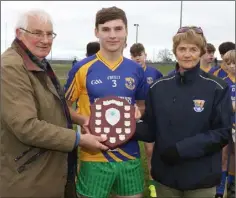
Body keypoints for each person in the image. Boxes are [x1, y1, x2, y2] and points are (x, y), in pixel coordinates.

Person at [0, 9, 108, 198]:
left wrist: (81, 119)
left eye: (50, 34)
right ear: (19, 33)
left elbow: (53, 105)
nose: (46, 40)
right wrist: (79, 139)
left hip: (49, 169)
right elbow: (26, 127)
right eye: (38, 33)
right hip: (28, 176)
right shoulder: (10, 67)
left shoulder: (36, 62)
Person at [134, 26, 233, 198]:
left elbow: (222, 133)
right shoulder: (158, 87)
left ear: (201, 52)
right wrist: (127, 124)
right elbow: (150, 130)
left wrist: (181, 149)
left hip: (201, 178)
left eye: (193, 49)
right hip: (166, 176)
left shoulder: (217, 87)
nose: (187, 55)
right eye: (182, 49)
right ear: (175, 52)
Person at [64, 6, 148, 198]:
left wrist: (139, 112)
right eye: (106, 29)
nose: (112, 35)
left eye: (118, 29)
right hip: (94, 154)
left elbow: (142, 105)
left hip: (130, 154)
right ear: (96, 32)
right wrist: (84, 120)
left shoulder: (135, 69)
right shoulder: (82, 68)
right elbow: (64, 108)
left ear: (126, 31)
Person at [130, 42, 163, 198]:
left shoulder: (155, 73)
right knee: (129, 150)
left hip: (150, 116)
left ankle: (152, 184)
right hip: (132, 116)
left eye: (140, 55)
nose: (137, 58)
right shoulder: (129, 73)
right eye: (134, 55)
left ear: (145, 55)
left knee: (150, 150)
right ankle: (128, 182)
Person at [215, 50, 235, 198]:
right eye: (228, 63)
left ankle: (232, 185)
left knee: (234, 157)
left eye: (235, 63)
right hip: (225, 125)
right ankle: (220, 189)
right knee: (223, 156)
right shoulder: (222, 83)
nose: (232, 66)